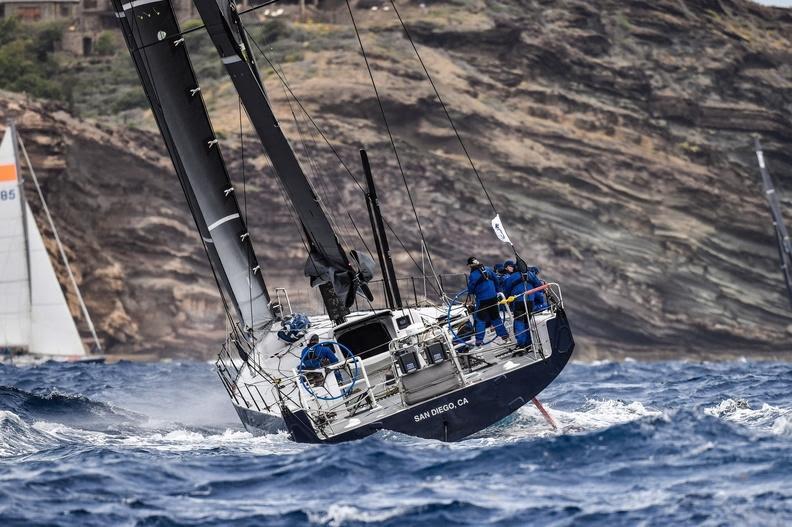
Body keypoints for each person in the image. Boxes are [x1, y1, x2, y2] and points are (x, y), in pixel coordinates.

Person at [502, 261, 546, 352]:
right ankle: (529, 344)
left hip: (518, 302)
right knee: (527, 322)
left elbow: (506, 291)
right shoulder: (531, 275)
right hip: (530, 301)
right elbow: (539, 286)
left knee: (519, 322)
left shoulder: (510, 278)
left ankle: (521, 344)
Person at [466, 257, 509, 346]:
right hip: (493, 298)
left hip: (482, 300)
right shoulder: (488, 269)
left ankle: (479, 341)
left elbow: (471, 289)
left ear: (470, 265)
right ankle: (504, 336)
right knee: (495, 317)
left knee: (480, 319)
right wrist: (497, 292)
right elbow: (496, 280)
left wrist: (471, 294)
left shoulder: (473, 275)